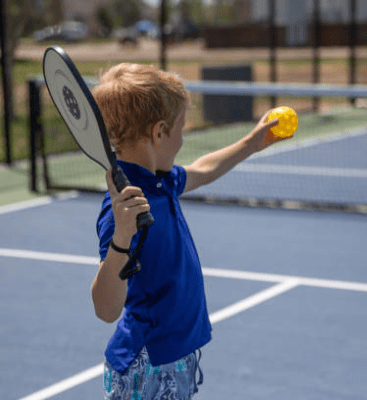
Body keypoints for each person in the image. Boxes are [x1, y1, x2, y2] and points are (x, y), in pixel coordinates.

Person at [90, 63, 288, 400]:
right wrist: (122, 238)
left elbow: (202, 170)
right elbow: (106, 310)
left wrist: (252, 143)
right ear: (159, 132)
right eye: (181, 128)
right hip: (147, 365)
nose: (183, 139)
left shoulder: (160, 181)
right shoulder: (123, 210)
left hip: (174, 358)